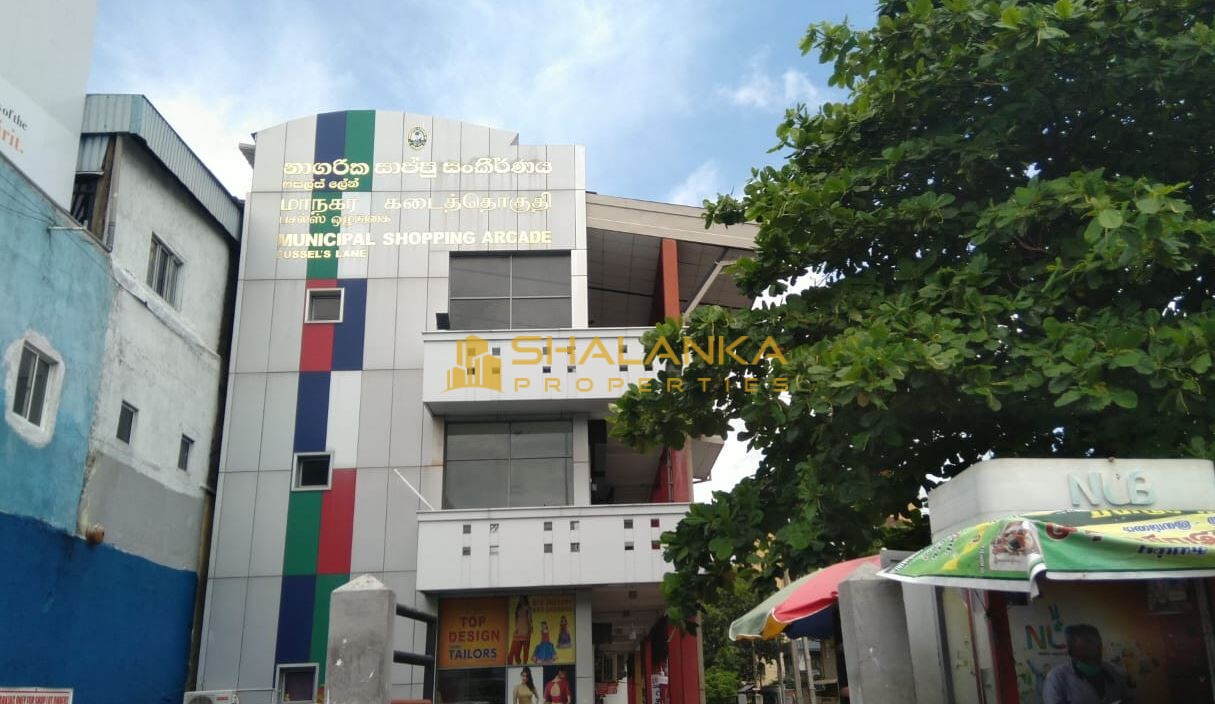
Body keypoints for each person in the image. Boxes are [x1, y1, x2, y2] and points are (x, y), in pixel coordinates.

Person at [1043, 624, 1131, 704]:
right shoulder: (1056, 679)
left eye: (1097, 655)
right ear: (1071, 653)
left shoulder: (1114, 673)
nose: (1093, 663)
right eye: (1086, 657)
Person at [509, 597, 533, 665]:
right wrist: (516, 627)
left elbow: (530, 618)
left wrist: (530, 627)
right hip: (519, 628)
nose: (521, 600)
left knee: (526, 649)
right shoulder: (518, 608)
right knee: (515, 649)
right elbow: (515, 618)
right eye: (520, 599)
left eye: (523, 599)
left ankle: (525, 663)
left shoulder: (527, 607)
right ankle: (518, 661)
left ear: (525, 599)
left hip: (526, 627)